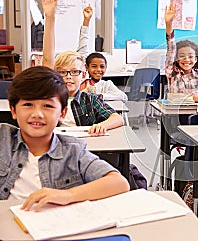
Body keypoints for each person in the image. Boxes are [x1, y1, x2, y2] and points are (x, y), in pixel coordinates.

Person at [0, 66, 130, 211]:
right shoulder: (3, 138)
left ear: (62, 113)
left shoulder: (73, 151)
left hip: (52, 227)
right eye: (28, 105)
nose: (37, 114)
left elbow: (119, 183)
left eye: (47, 106)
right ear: (13, 110)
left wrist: (67, 195)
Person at [55, 51, 124, 135]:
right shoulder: (50, 100)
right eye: (62, 72)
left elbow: (118, 119)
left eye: (74, 72)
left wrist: (101, 126)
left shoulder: (91, 99)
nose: (68, 76)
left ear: (83, 76)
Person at [164, 2, 198, 102]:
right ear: (176, 59)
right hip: (177, 114)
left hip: (197, 114)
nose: (186, 59)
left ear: (196, 59)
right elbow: (171, 49)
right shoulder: (173, 73)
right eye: (182, 56)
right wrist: (169, 24)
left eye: (190, 56)